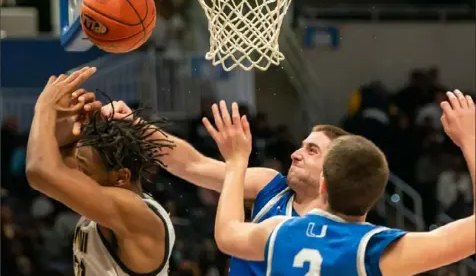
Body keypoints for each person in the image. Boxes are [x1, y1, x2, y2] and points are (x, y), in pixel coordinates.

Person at [212, 91, 475, 276]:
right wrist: (470, 139)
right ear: (375, 196)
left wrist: (236, 162)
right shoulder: (374, 250)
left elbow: (226, 234)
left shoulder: (281, 231)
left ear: (323, 186)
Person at [101, 100, 350, 276]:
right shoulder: (271, 185)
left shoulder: (342, 235)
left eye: (312, 150)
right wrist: (137, 126)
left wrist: (236, 160)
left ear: (333, 170)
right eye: (301, 146)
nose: (296, 154)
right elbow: (192, 165)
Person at [25, 67, 176, 276]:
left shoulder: (132, 210)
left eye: (83, 169)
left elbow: (40, 171)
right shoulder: (111, 197)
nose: (76, 175)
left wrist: (44, 109)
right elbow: (53, 163)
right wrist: (65, 125)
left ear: (121, 177)